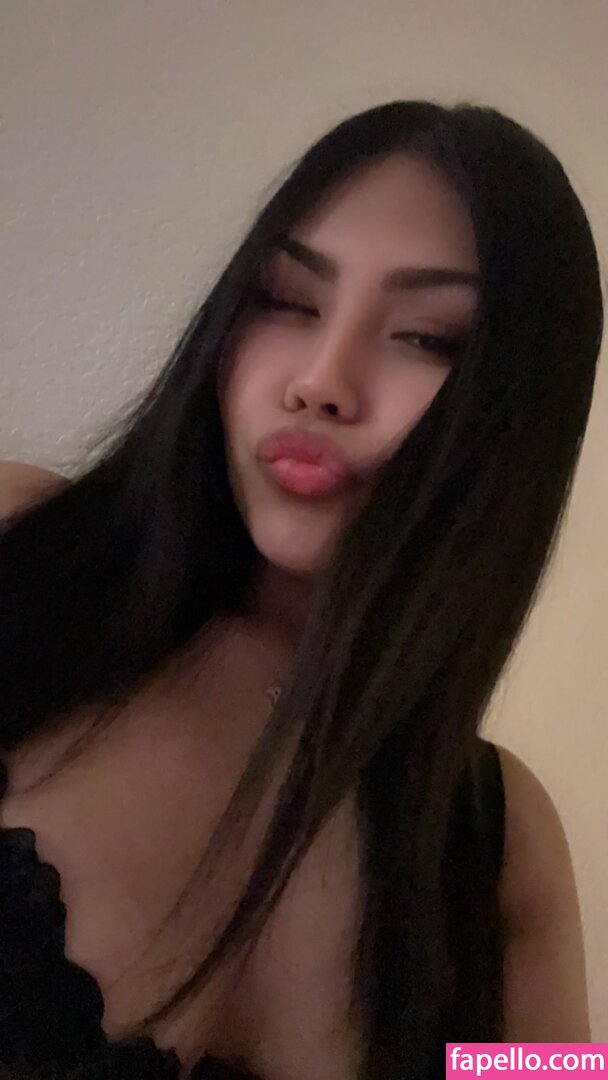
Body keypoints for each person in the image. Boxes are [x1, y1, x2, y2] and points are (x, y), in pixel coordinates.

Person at [0, 99, 603, 1080]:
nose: (321, 380)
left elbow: (558, 1072)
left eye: (426, 337)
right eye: (287, 299)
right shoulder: (22, 548)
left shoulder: (497, 840)